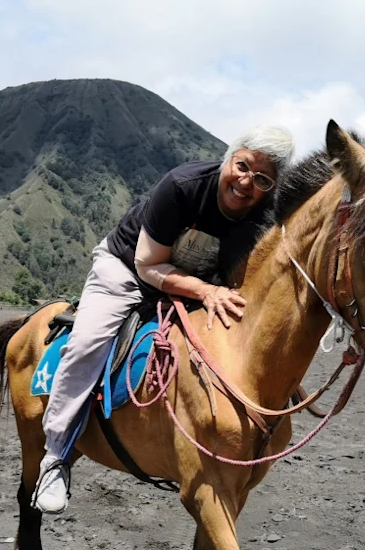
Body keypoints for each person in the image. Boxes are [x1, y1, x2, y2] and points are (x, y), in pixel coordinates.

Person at [34, 126, 296, 514]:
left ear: (271, 187)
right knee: (87, 344)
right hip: (126, 271)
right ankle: (55, 457)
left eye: (261, 179)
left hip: (195, 286)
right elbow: (148, 265)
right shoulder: (183, 186)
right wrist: (206, 292)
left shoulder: (263, 218)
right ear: (229, 158)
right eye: (241, 166)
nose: (245, 182)